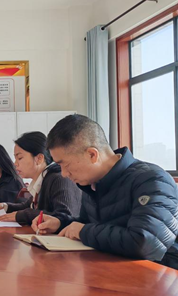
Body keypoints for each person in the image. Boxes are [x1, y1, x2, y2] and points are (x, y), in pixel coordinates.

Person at [33, 114, 178, 269]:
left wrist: (82, 231)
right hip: (110, 270)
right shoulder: (92, 184)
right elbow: (90, 226)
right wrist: (60, 224)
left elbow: (144, 242)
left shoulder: (152, 180)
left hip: (159, 275)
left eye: (65, 165)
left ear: (92, 154)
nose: (63, 174)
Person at [0, 132, 82, 225]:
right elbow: (29, 206)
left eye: (20, 158)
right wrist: (5, 206)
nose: (15, 164)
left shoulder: (59, 179)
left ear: (39, 158)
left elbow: (65, 216)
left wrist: (22, 215)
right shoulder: (42, 179)